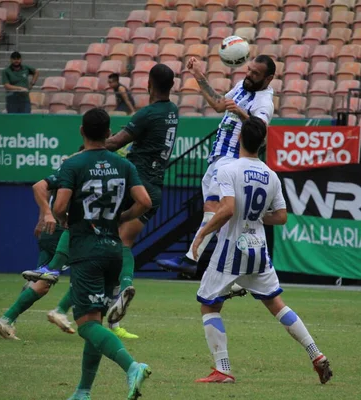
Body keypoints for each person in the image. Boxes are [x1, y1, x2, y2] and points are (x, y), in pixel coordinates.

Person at [192, 117, 332, 384]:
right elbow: (281, 216)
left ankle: (222, 369)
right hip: (258, 249)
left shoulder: (228, 169)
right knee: (276, 304)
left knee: (208, 306)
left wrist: (202, 233)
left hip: (231, 250)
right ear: (264, 142)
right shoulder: (271, 175)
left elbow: (228, 209)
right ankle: (316, 354)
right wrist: (254, 217)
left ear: (239, 139)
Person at [52, 107, 152, 400]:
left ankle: (132, 366)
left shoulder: (73, 164)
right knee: (95, 321)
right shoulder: (122, 164)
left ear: (81, 132)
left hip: (86, 250)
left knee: (85, 324)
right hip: (113, 251)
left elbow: (59, 208)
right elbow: (144, 201)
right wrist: (122, 217)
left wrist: (64, 220)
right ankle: (83, 391)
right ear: (109, 134)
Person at [157, 55, 276, 276]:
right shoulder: (243, 86)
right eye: (249, 70)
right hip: (219, 158)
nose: (249, 75)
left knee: (214, 209)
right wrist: (198, 76)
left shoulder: (264, 102)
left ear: (268, 78)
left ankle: (191, 259)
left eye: (255, 73)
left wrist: (241, 112)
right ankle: (236, 269)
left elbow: (261, 132)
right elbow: (219, 104)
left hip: (233, 158)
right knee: (219, 217)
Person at [98, 63, 178, 339]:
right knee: (123, 244)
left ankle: (59, 286)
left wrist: (89, 143)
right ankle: (122, 292)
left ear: (148, 84)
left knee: (97, 234)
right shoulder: (173, 112)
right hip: (154, 190)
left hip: (134, 184)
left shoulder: (147, 114)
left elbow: (114, 142)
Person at [0, 147, 86, 340]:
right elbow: (43, 189)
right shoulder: (80, 168)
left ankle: (8, 320)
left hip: (50, 232)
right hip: (63, 233)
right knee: (79, 275)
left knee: (39, 282)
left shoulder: (70, 168)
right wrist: (48, 215)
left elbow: (47, 192)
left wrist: (43, 216)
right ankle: (57, 311)